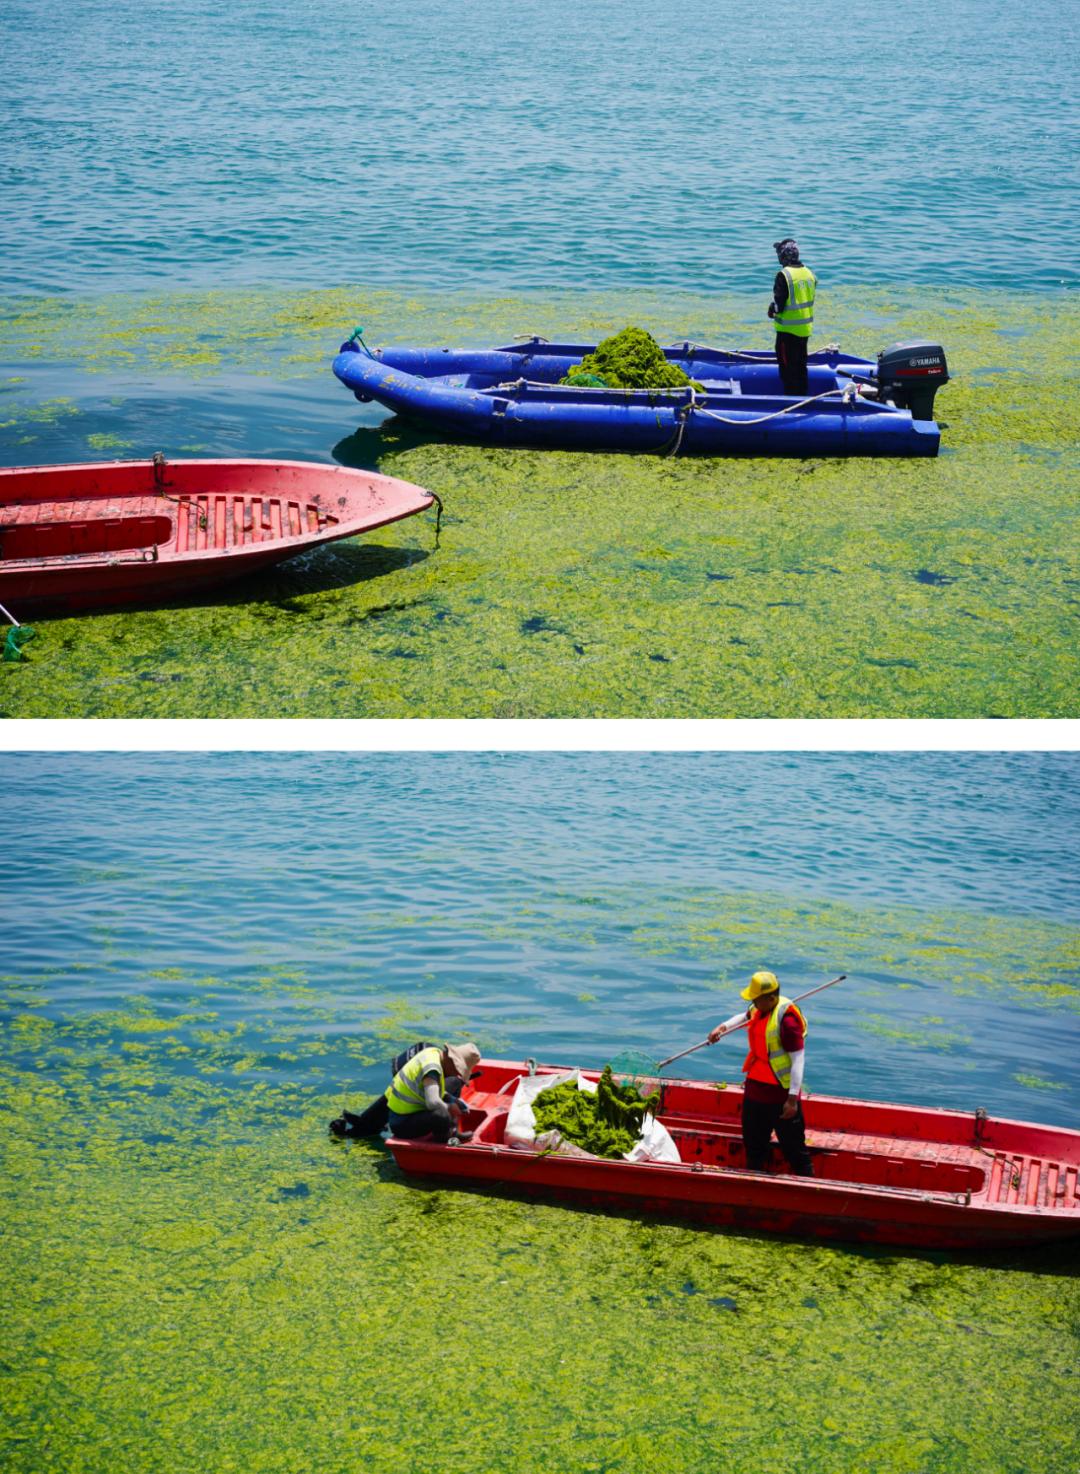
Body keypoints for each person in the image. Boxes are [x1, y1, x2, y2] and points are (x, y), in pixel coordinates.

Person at [708, 969, 812, 1176]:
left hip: (780, 1096)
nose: (753, 1003)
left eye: (756, 999)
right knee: (754, 1146)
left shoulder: (788, 1022)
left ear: (771, 998)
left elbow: (798, 1060)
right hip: (755, 1090)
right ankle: (753, 1182)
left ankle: (808, 1184)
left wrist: (792, 1100)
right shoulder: (759, 1007)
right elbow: (745, 1016)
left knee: (794, 1150)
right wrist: (722, 1027)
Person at [329, 1041, 480, 1141]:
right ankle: (447, 1139)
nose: (456, 1073)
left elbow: (436, 1091)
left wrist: (453, 1100)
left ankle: (449, 1129)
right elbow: (433, 1102)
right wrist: (450, 1107)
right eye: (458, 1070)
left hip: (412, 1106)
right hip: (402, 1122)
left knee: (454, 1084)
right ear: (452, 1060)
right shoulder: (432, 1069)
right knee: (441, 1114)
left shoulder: (434, 1052)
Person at [768, 238, 817, 398]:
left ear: (783, 256)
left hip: (787, 332)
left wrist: (771, 309)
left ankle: (791, 401)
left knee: (787, 370)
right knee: (801, 367)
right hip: (804, 330)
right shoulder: (809, 274)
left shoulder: (784, 275)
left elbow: (779, 306)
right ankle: (802, 398)